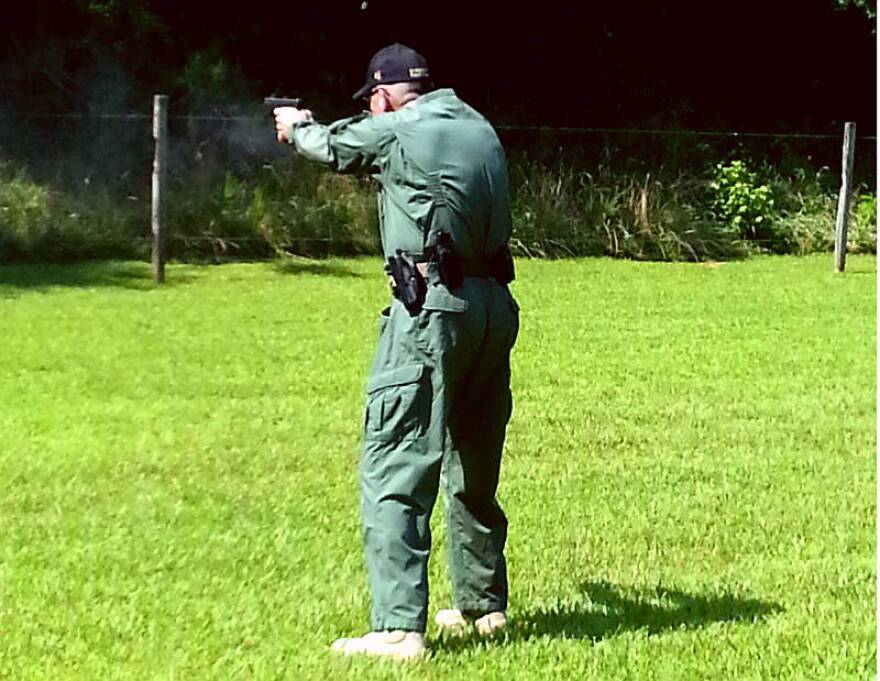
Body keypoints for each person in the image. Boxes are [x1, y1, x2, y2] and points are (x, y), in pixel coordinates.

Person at [274, 43, 519, 660]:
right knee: (472, 462)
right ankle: (483, 609)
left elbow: (333, 147)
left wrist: (299, 126)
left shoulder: (397, 127)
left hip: (432, 310)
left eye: (373, 100)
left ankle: (397, 629)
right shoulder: (477, 125)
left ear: (382, 96)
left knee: (394, 458)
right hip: (492, 309)